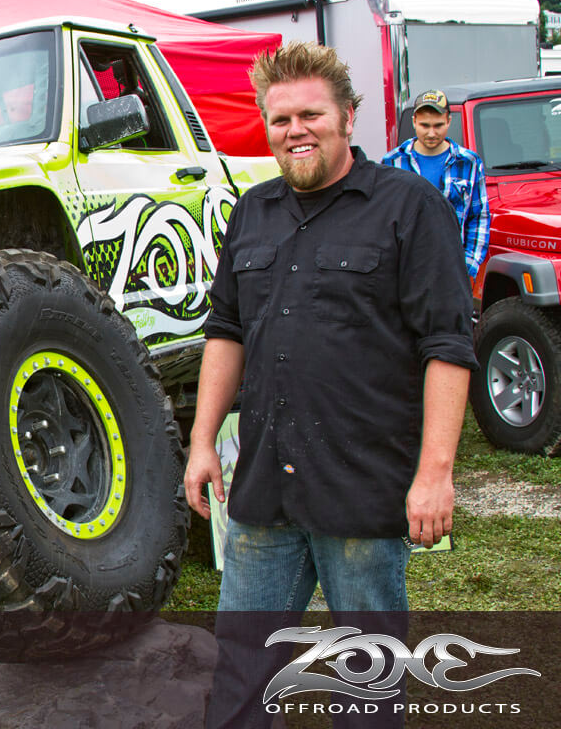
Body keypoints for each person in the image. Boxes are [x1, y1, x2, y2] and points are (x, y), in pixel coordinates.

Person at [183, 42, 476, 728]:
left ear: (349, 116)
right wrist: (201, 442)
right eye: (280, 119)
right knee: (241, 672)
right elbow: (225, 331)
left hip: (363, 492)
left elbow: (448, 345)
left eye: (311, 113)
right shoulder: (251, 212)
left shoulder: (409, 207)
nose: (295, 130)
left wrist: (435, 475)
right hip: (263, 492)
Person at [382, 90, 489, 279]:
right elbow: (383, 217)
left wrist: (469, 264)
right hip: (406, 270)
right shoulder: (392, 161)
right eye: (425, 125)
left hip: (452, 269)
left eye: (438, 125)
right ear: (414, 121)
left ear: (449, 121)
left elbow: (479, 215)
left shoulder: (468, 162)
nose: (431, 133)